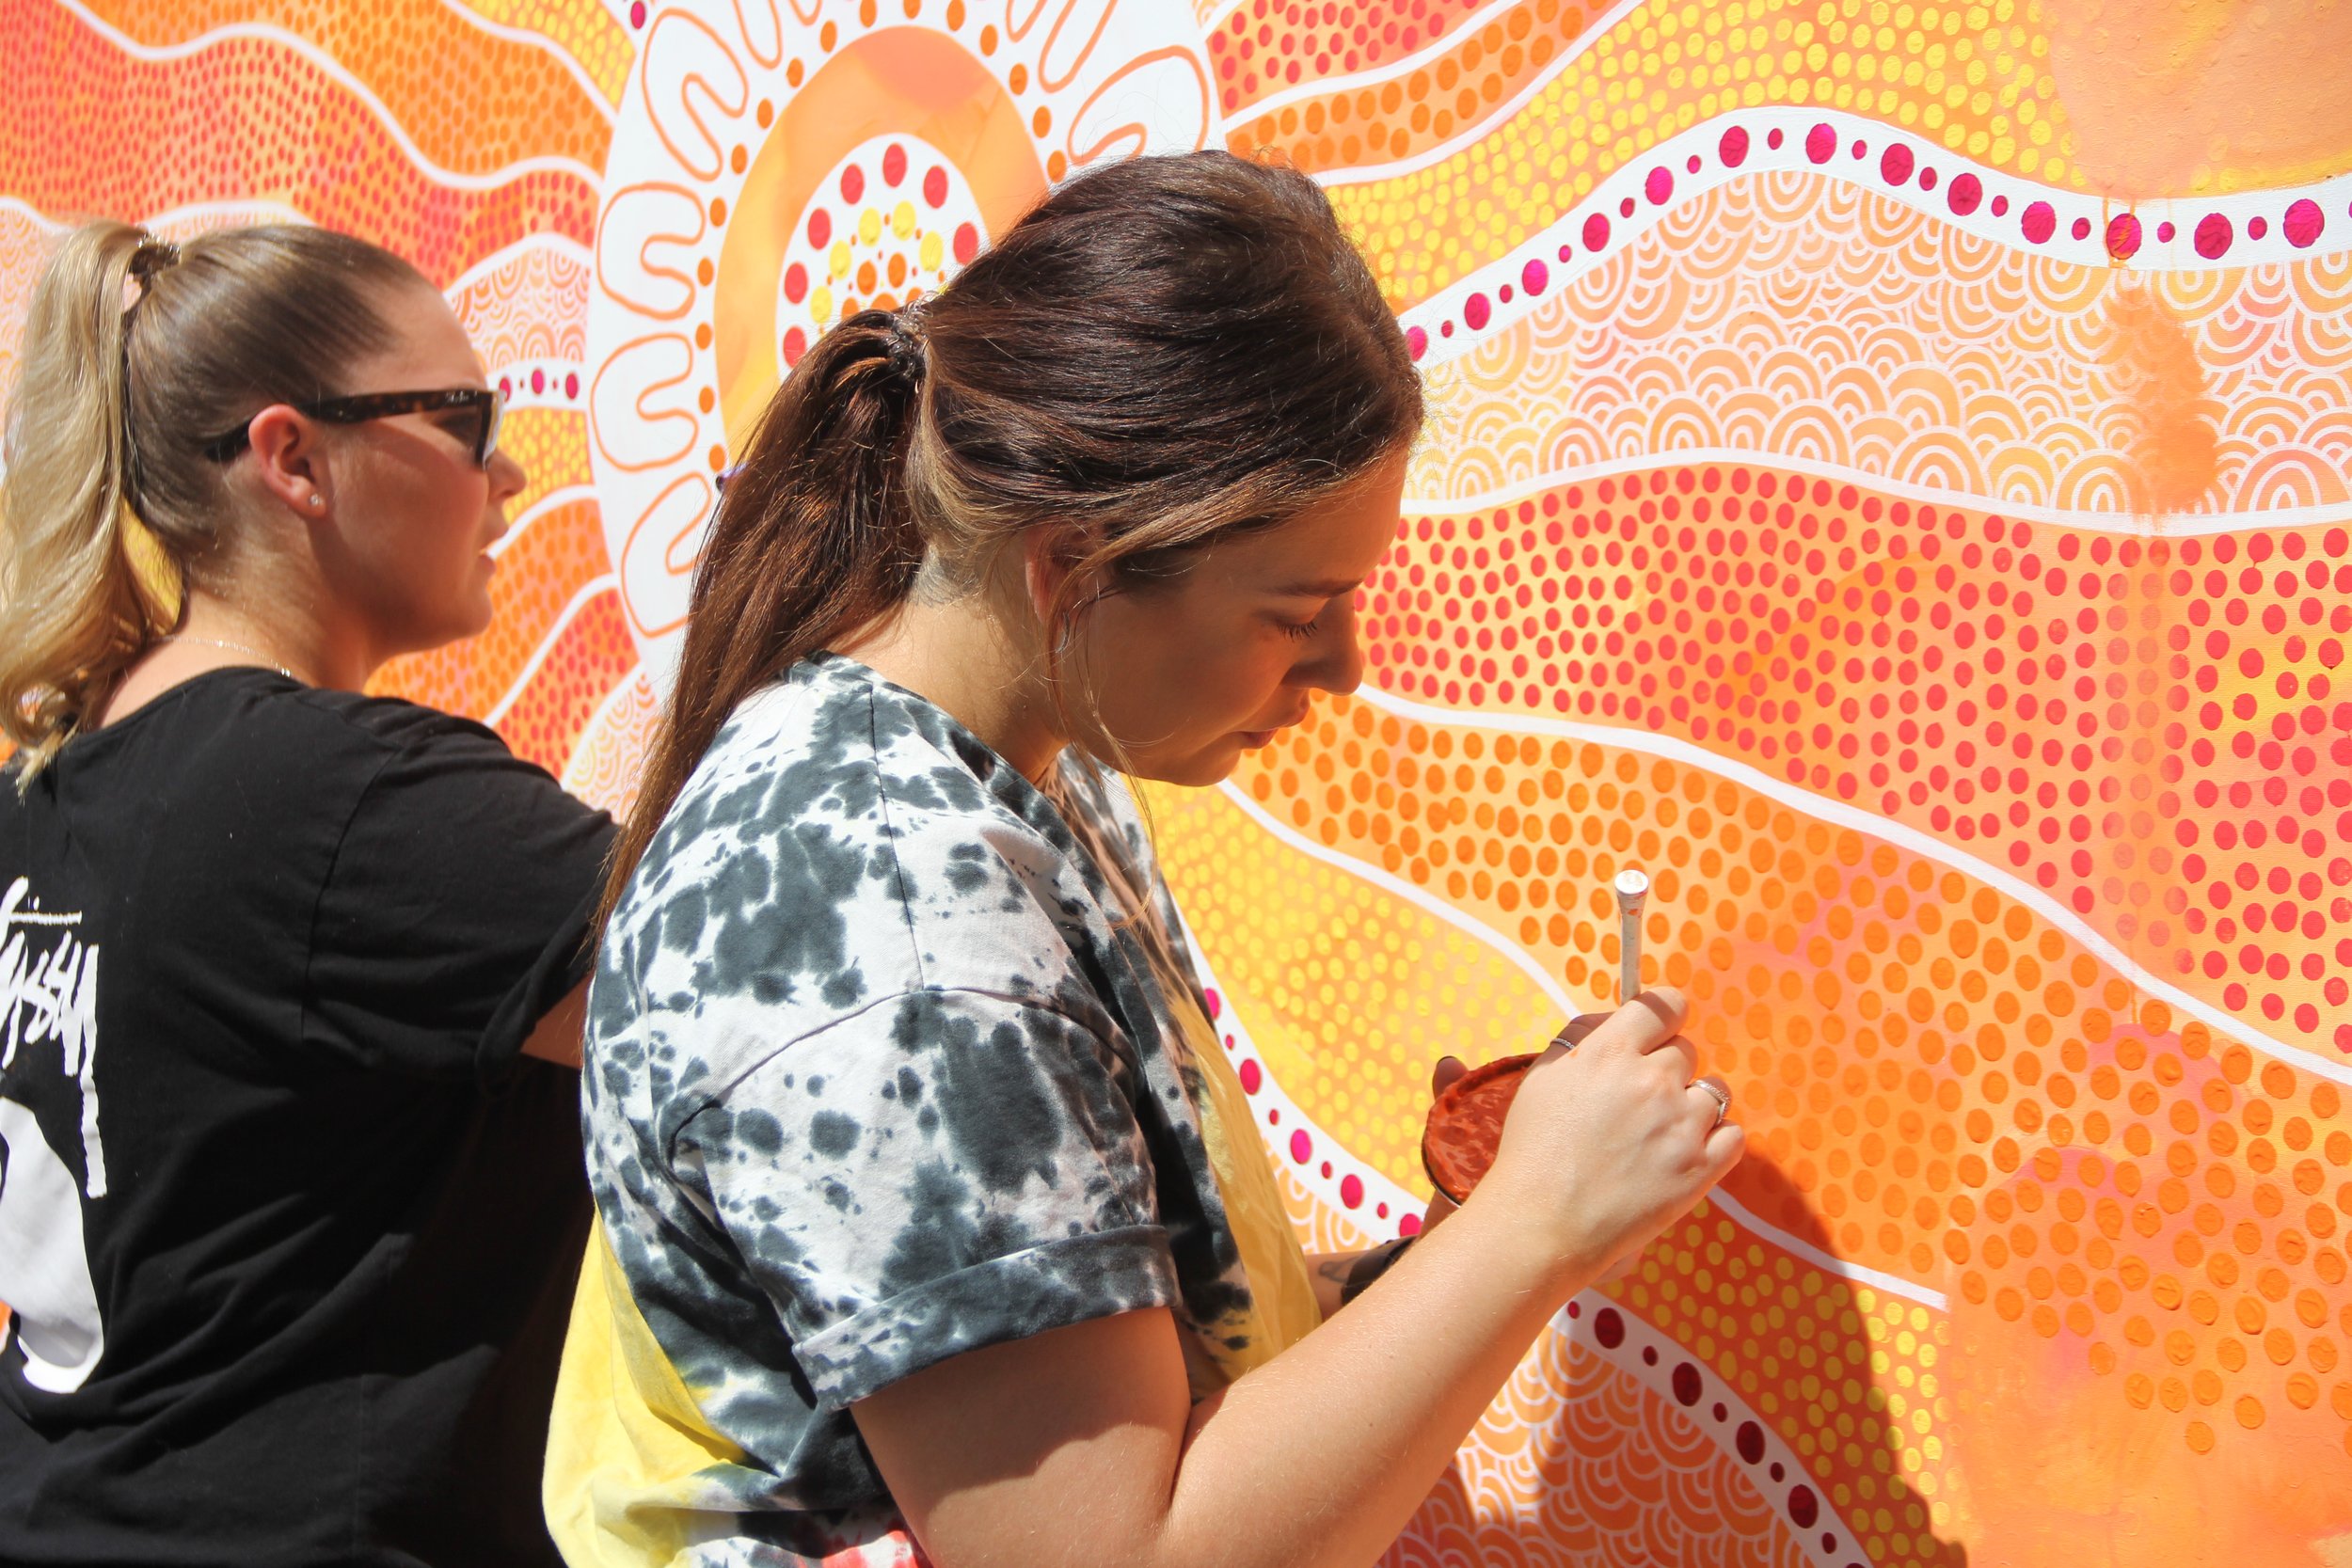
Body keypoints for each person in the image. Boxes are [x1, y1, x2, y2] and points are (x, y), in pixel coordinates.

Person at [548, 151, 1742, 1568]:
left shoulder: (1023, 774)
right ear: (1072, 567)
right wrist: (1530, 1229)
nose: (1345, 666)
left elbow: (1118, 1363)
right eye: (1297, 610)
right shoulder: (896, 932)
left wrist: (1461, 1251)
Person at [0, 221, 614, 1566]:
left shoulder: (55, 783)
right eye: (465, 420)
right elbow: (770, 981)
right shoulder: (333, 798)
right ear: (293, 458)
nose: (508, 471)